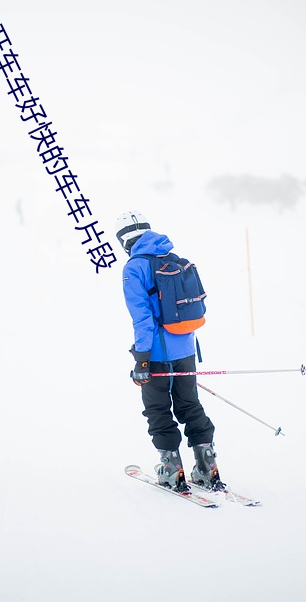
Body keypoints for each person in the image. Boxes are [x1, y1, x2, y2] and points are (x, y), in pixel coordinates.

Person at [116, 210, 224, 492]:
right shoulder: (173, 259)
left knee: (158, 409)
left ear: (124, 240)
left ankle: (171, 469)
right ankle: (207, 467)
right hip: (186, 348)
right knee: (189, 405)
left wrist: (142, 360)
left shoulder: (134, 268)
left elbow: (142, 319)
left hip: (156, 354)